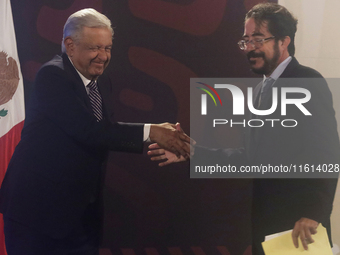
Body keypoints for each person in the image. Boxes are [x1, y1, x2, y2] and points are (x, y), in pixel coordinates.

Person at [148, 3, 340, 255]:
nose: (249, 47)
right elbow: (250, 157)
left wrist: (313, 214)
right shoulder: (261, 90)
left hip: (300, 228)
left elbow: (326, 151)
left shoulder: (307, 81)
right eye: (246, 40)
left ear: (284, 41)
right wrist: (192, 152)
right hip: (267, 225)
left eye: (258, 39)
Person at [0, 8, 191, 255]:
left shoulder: (101, 82)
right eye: (94, 48)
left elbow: (103, 134)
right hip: (38, 215)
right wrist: (151, 132)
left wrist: (173, 143)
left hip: (80, 218)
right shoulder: (53, 76)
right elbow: (89, 131)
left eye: (107, 48)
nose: (103, 56)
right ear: (70, 45)